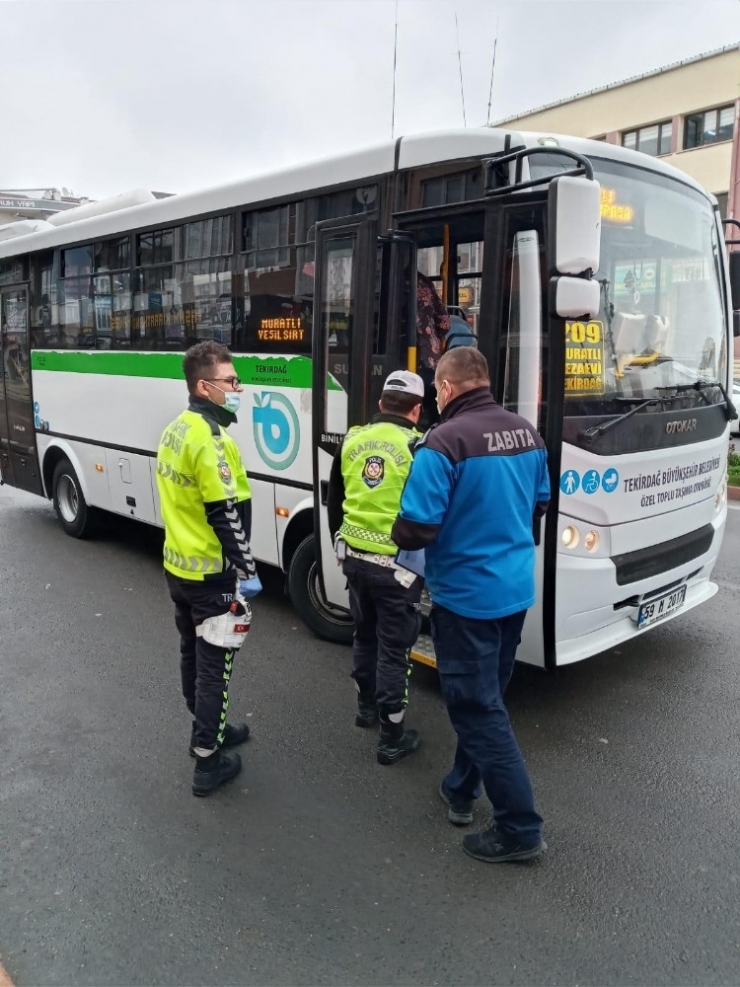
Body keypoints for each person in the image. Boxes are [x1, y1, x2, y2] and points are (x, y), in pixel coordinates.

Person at [392, 347, 550, 862]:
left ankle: (520, 829)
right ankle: (461, 787)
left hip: (465, 598)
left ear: (446, 388)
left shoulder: (443, 441)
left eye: (437, 388)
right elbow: (540, 504)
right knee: (489, 698)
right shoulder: (526, 432)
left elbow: (416, 526)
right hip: (512, 592)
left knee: (478, 710)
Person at [156, 340, 262, 798]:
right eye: (231, 381)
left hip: (178, 569)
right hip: (209, 578)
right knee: (213, 667)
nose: (238, 387)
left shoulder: (177, 428)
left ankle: (205, 726)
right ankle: (207, 760)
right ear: (206, 386)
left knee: (192, 653)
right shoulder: (209, 438)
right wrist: (248, 569)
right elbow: (224, 512)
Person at [326, 370, 425, 765]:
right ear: (416, 410)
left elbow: (335, 500)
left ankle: (365, 708)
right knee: (394, 650)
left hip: (354, 560)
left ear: (381, 403)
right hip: (397, 570)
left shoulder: (352, 439)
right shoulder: (419, 447)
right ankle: (392, 735)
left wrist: (343, 543)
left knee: (364, 635)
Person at [416, 271, 450, 422]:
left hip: (398, 355)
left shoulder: (384, 277)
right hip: (428, 357)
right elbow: (444, 323)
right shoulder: (423, 281)